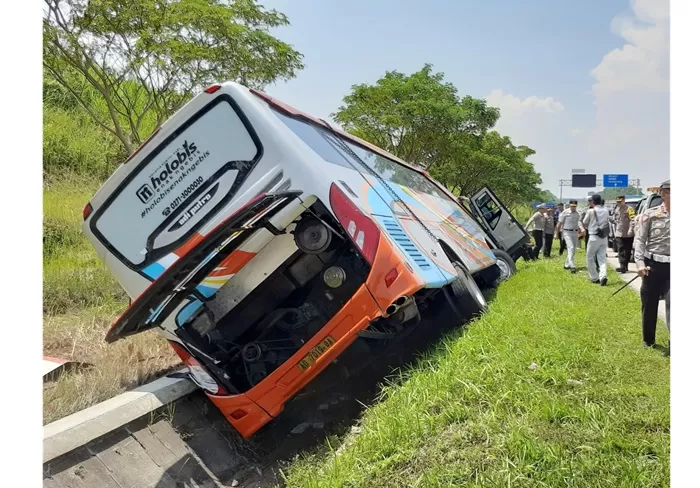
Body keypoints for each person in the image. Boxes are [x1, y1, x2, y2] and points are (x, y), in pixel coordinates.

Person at [634, 179, 670, 349]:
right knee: (649, 304)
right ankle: (649, 340)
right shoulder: (649, 214)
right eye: (669, 191)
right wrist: (640, 263)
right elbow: (640, 240)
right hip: (653, 265)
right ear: (662, 194)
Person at [582, 194, 609, 285]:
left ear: (593, 202)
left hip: (594, 236)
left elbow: (585, 222)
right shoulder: (606, 210)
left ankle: (594, 277)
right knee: (602, 258)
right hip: (604, 237)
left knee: (590, 257)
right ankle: (603, 275)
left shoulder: (591, 211)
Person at [556, 200, 585, 273]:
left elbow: (579, 222)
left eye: (574, 206)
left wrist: (582, 229)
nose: (573, 208)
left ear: (576, 206)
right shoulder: (565, 213)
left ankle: (566, 264)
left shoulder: (578, 213)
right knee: (571, 247)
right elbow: (559, 223)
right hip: (566, 232)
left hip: (575, 232)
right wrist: (556, 234)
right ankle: (572, 266)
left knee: (573, 249)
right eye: (571, 206)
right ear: (569, 205)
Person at [613, 195, 636, 272]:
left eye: (620, 202)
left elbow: (633, 220)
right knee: (620, 249)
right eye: (617, 202)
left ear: (624, 201)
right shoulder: (616, 209)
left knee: (627, 250)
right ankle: (622, 266)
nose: (619, 203)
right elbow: (615, 219)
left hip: (628, 233)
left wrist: (631, 229)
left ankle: (625, 265)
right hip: (619, 233)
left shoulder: (629, 209)